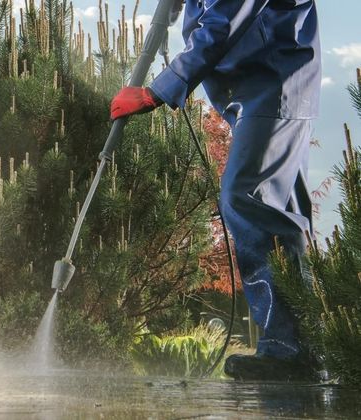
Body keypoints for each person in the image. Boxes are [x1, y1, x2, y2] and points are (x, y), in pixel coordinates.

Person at [111, 0, 321, 381]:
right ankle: (306, 348)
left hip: (273, 79)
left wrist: (157, 91)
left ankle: (290, 352)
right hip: (259, 82)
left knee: (246, 198)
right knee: (281, 211)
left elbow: (223, 21)